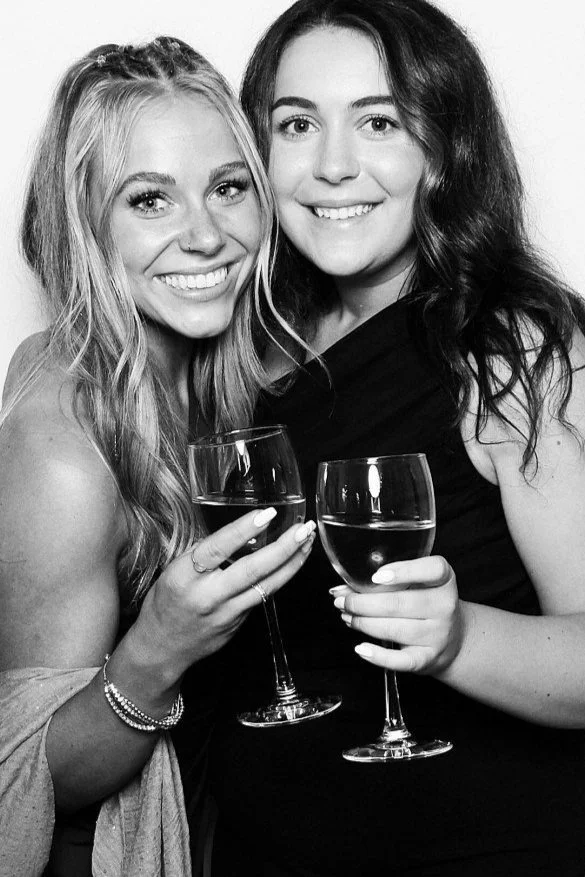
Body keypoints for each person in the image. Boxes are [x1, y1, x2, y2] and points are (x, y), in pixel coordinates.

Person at [175, 2, 585, 875]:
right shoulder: (243, 343)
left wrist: (459, 638)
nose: (331, 166)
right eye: (296, 124)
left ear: (443, 147)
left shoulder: (507, 344)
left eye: (379, 121)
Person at [0, 36, 317, 877]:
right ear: (85, 223)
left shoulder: (232, 374)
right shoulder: (65, 447)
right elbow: (26, 783)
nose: (206, 235)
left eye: (226, 188)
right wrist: (158, 648)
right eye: (149, 200)